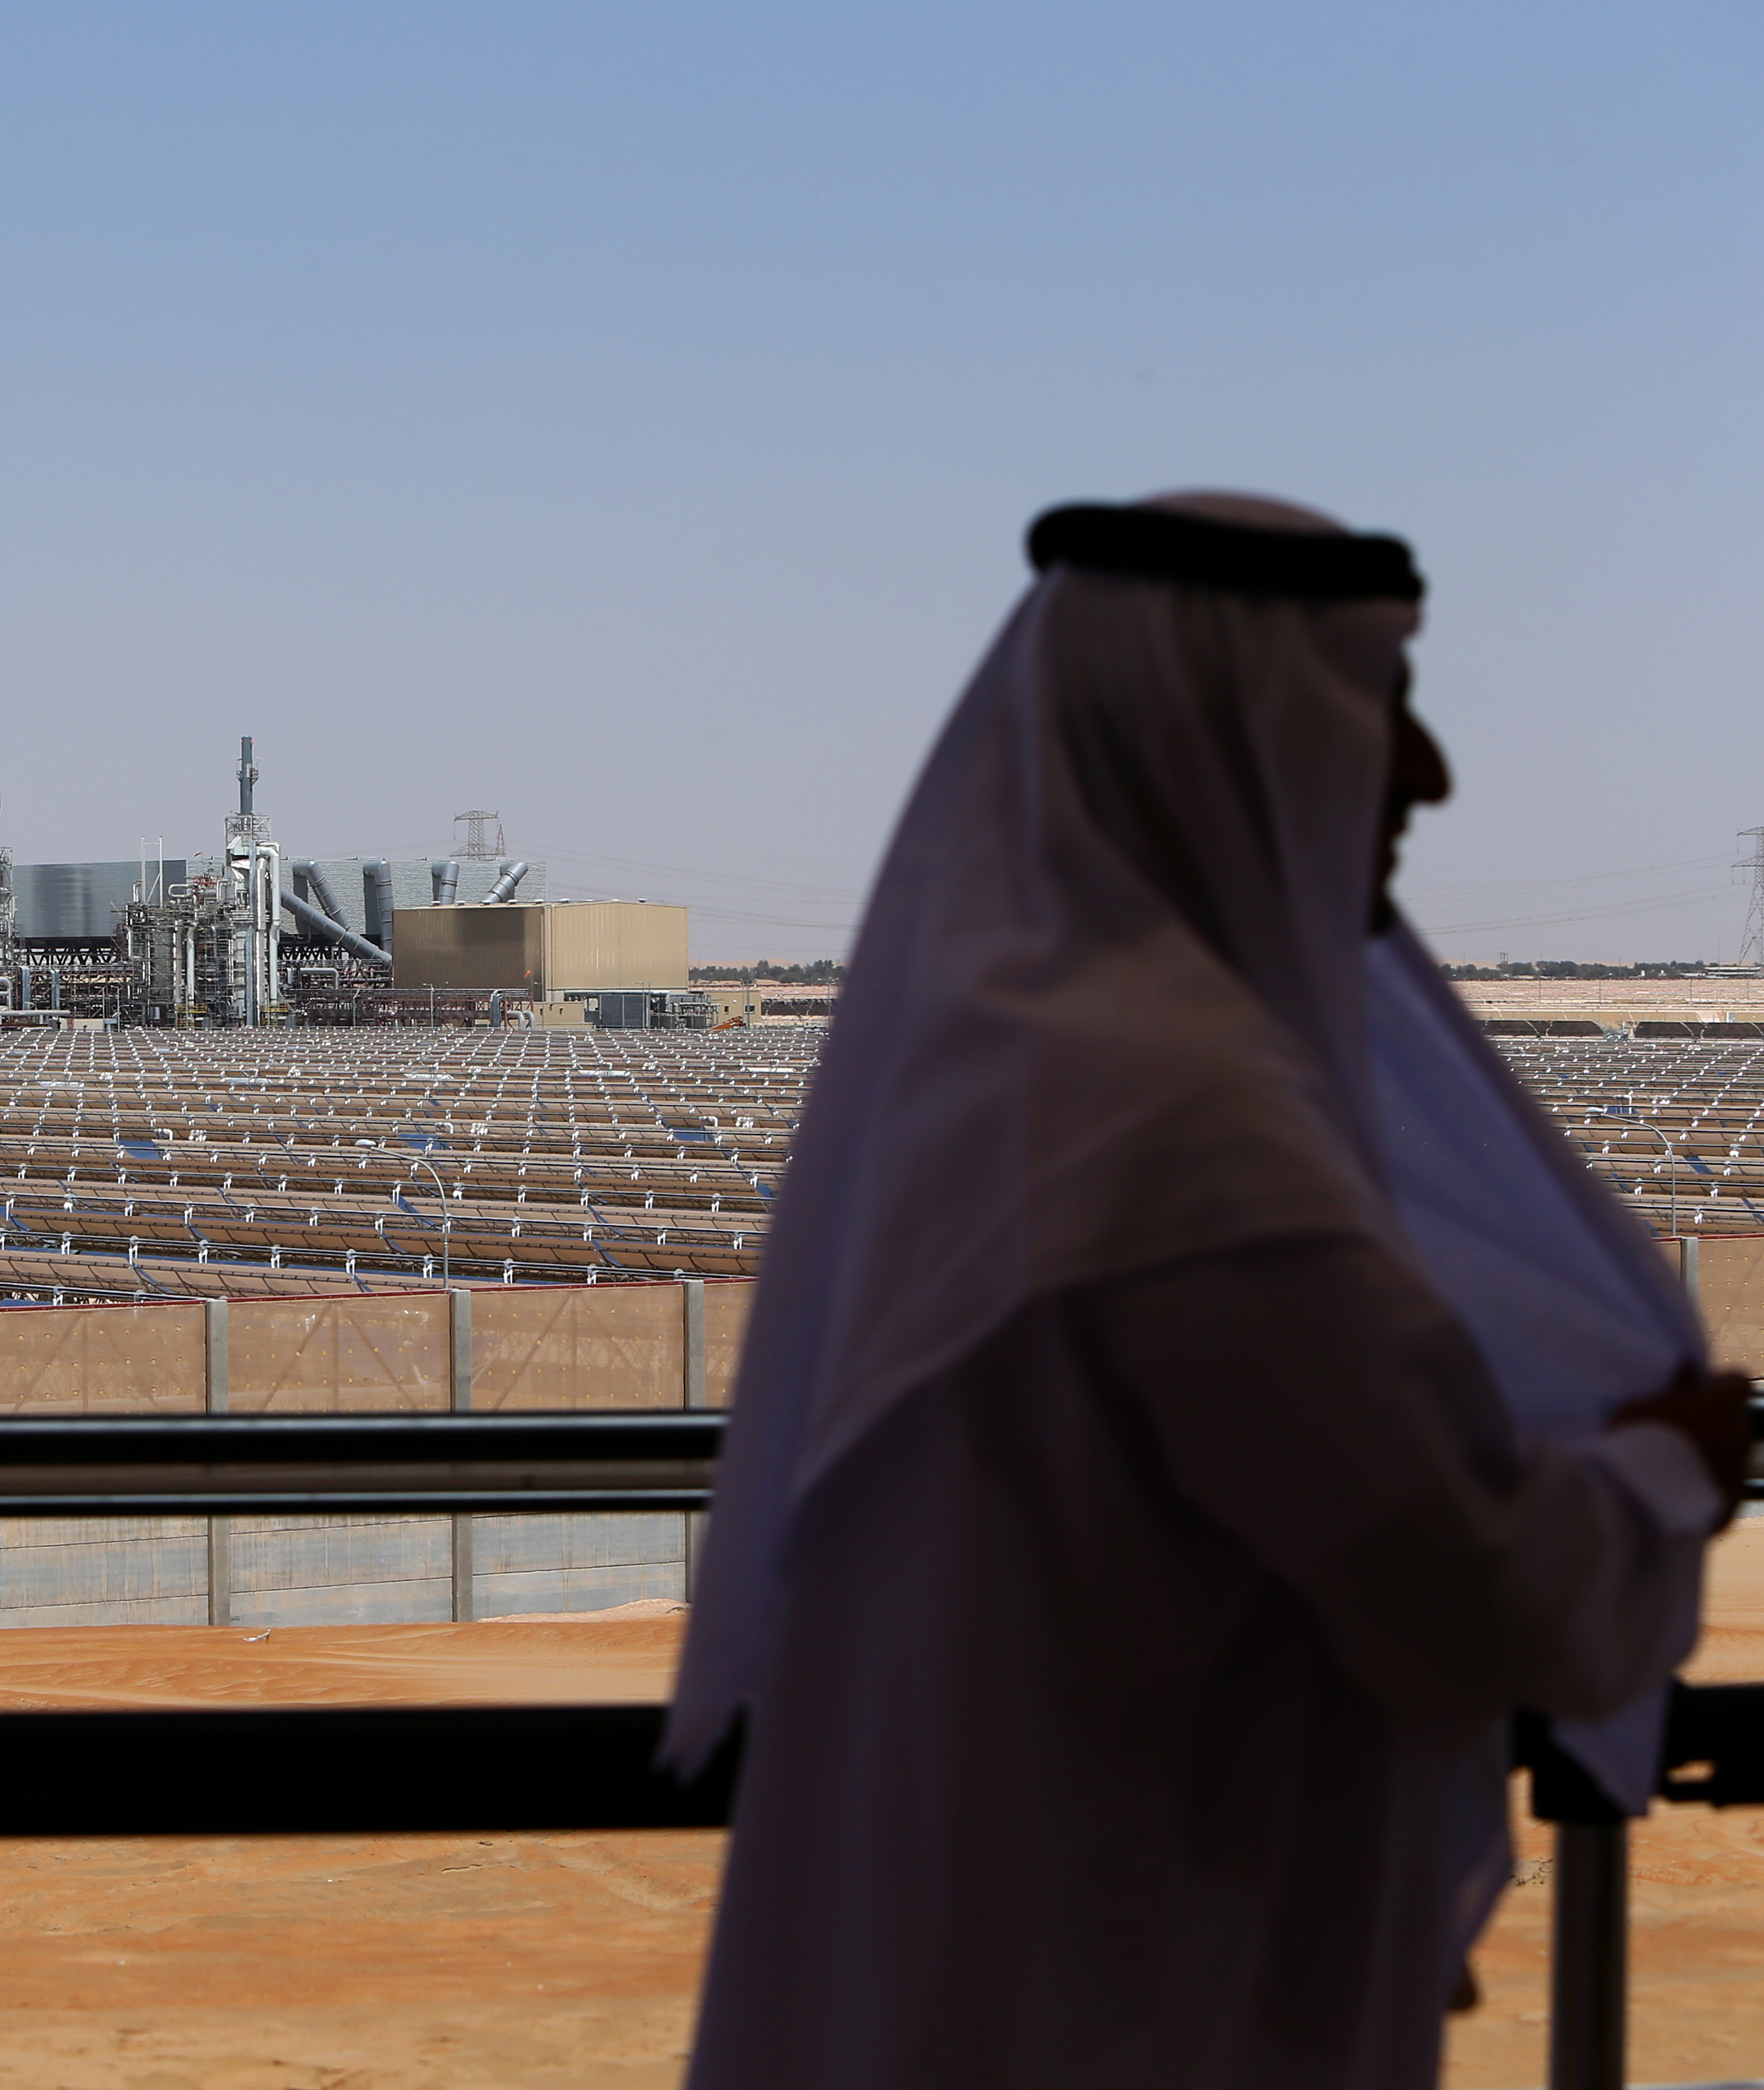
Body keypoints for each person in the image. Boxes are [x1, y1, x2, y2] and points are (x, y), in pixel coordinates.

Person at [663, 493, 1749, 2090]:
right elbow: (1467, 1588)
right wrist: (1671, 1459)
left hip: (1024, 1927)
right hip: (1132, 1982)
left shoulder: (1023, 1066)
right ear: (1228, 722)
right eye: (1381, 700)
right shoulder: (1181, 1133)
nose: (1425, 771)